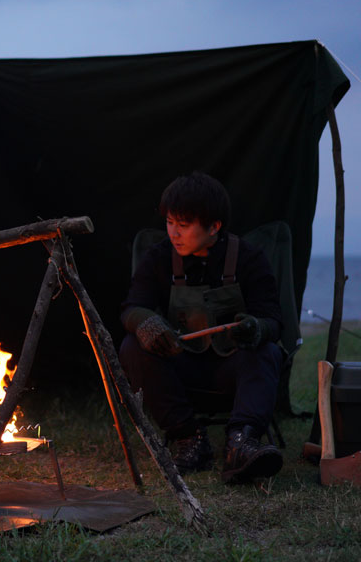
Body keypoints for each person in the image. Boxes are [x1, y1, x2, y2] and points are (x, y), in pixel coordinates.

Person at [120, 172, 284, 483]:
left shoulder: (249, 258)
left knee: (267, 351)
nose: (173, 233)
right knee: (132, 346)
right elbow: (131, 307)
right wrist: (145, 322)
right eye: (170, 223)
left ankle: (241, 443)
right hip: (182, 365)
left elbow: (274, 321)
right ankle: (190, 440)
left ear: (214, 226)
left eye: (183, 225)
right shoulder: (159, 258)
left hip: (233, 367)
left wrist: (254, 328)